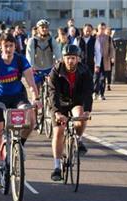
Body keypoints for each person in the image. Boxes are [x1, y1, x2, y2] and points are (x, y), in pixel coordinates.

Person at [0, 33, 40, 189]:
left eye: (11, 46)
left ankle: (20, 145)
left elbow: (31, 83)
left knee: (31, 120)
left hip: (17, 97)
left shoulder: (21, 60)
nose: (8, 49)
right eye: (5, 46)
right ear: (0, 46)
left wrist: (36, 98)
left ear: (15, 47)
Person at [48, 44, 93, 180]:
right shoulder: (55, 71)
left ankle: (78, 140)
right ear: (63, 59)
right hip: (59, 103)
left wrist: (87, 110)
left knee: (80, 117)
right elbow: (52, 93)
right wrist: (56, 112)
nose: (70, 61)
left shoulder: (84, 71)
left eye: (73, 58)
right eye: (67, 58)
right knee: (59, 131)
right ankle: (56, 167)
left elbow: (88, 92)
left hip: (76, 101)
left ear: (78, 59)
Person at [26, 19, 61, 88]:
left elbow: (58, 53)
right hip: (36, 69)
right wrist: (31, 66)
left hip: (49, 68)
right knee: (35, 89)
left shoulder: (52, 40)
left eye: (46, 27)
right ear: (38, 29)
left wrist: (58, 63)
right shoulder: (32, 41)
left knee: (53, 88)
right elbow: (29, 55)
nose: (45, 29)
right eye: (42, 27)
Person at [93, 22, 114, 100]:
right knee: (96, 77)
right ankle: (95, 92)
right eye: (100, 28)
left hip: (105, 59)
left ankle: (101, 94)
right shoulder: (94, 37)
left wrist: (112, 57)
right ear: (98, 29)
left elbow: (112, 48)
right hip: (95, 60)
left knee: (103, 78)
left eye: (103, 28)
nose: (102, 30)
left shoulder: (108, 38)